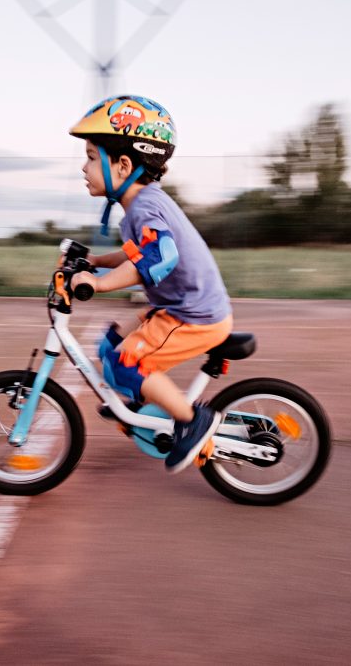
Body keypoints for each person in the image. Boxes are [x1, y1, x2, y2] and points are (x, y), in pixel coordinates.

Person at [68, 95, 233, 473]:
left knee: (125, 363)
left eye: (92, 156)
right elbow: (136, 254)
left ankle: (194, 421)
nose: (84, 165)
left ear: (123, 165)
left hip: (193, 315)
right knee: (110, 344)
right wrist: (93, 261)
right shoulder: (142, 203)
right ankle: (139, 408)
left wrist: (99, 283)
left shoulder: (144, 207)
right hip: (179, 306)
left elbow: (157, 258)